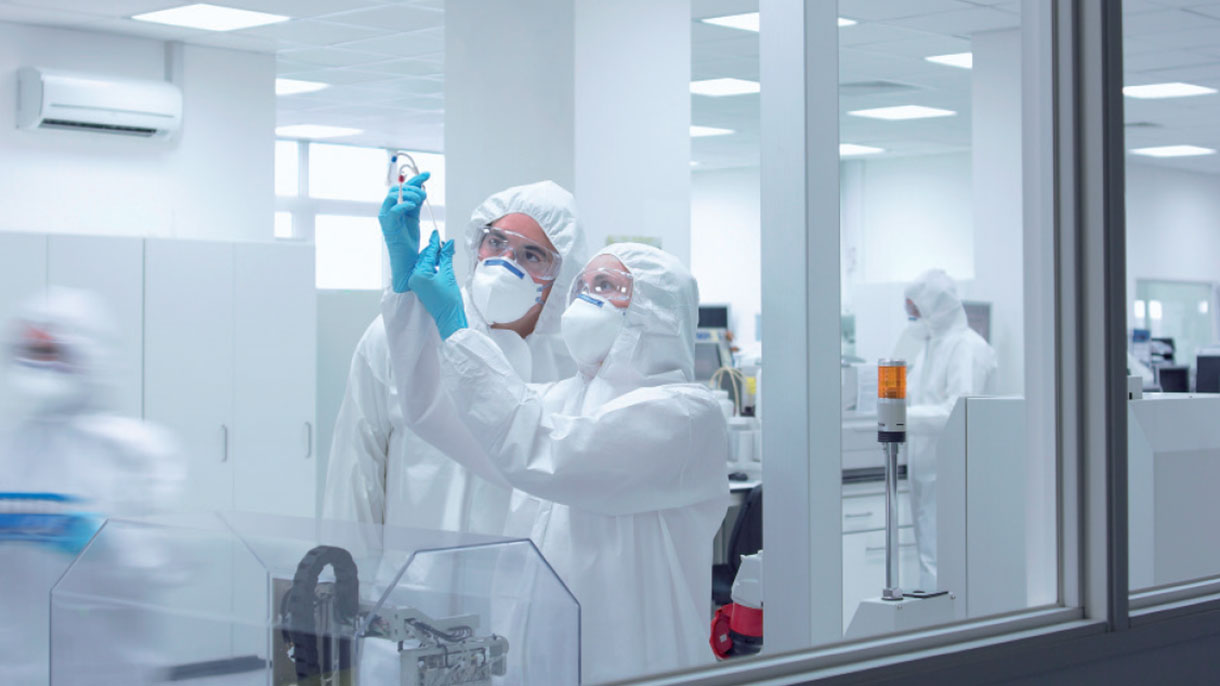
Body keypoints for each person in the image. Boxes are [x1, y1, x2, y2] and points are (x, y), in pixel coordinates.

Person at [379, 224, 730, 682]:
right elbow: (444, 414)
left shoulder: (685, 415)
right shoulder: (564, 400)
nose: (585, 296)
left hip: (633, 659)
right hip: (538, 651)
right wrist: (412, 305)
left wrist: (459, 329)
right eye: (582, 286)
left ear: (656, 309)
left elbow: (548, 451)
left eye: (606, 286)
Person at [322, 175, 587, 535]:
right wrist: (347, 575)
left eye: (532, 255)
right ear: (476, 244)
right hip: (410, 578)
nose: (507, 263)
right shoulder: (401, 331)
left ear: (562, 274)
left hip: (520, 580)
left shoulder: (572, 364)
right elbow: (356, 467)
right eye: (496, 243)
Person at [0, 288, 183, 685]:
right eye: (29, 352)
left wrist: (100, 540)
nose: (37, 365)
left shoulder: (135, 449)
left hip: (109, 665)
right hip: (17, 665)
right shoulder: (8, 446)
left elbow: (160, 566)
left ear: (88, 357)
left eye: (50, 353)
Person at [899, 269, 997, 592]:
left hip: (954, 470)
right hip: (927, 467)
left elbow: (957, 411)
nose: (912, 317)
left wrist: (900, 415)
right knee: (930, 554)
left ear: (934, 306)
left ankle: (950, 629)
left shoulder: (966, 348)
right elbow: (914, 395)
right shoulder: (932, 347)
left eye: (916, 310)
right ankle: (934, 623)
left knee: (949, 558)